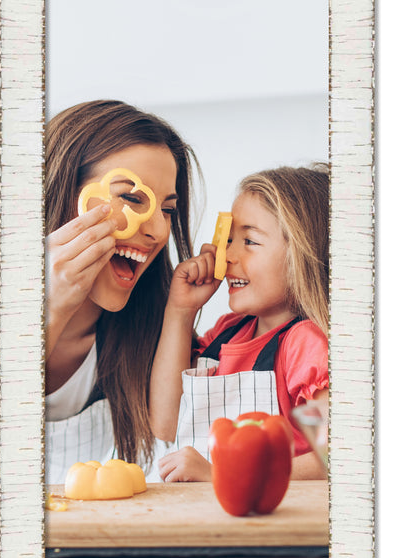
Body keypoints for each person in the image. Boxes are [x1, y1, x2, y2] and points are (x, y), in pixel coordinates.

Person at [45, 99, 200, 484]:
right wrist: (48, 309)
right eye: (131, 199)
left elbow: (168, 445)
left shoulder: (156, 334)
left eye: (167, 209)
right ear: (64, 192)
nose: (159, 232)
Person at [150, 165, 329, 482]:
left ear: (304, 254)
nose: (226, 255)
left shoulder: (303, 346)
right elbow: (166, 424)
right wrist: (180, 309)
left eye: (249, 241)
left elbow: (331, 460)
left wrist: (223, 474)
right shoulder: (226, 335)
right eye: (229, 239)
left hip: (269, 527)